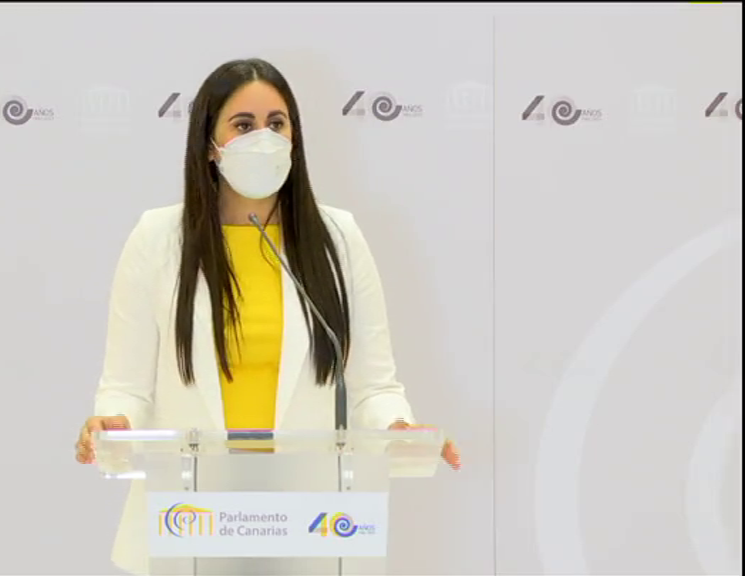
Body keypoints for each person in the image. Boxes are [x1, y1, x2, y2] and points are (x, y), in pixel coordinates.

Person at [74, 58, 461, 574]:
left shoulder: (338, 240)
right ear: (209, 145)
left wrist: (400, 428)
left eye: (277, 124)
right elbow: (127, 387)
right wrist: (113, 421)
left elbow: (373, 385)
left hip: (306, 520)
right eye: (243, 125)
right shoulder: (158, 239)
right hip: (190, 520)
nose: (265, 139)